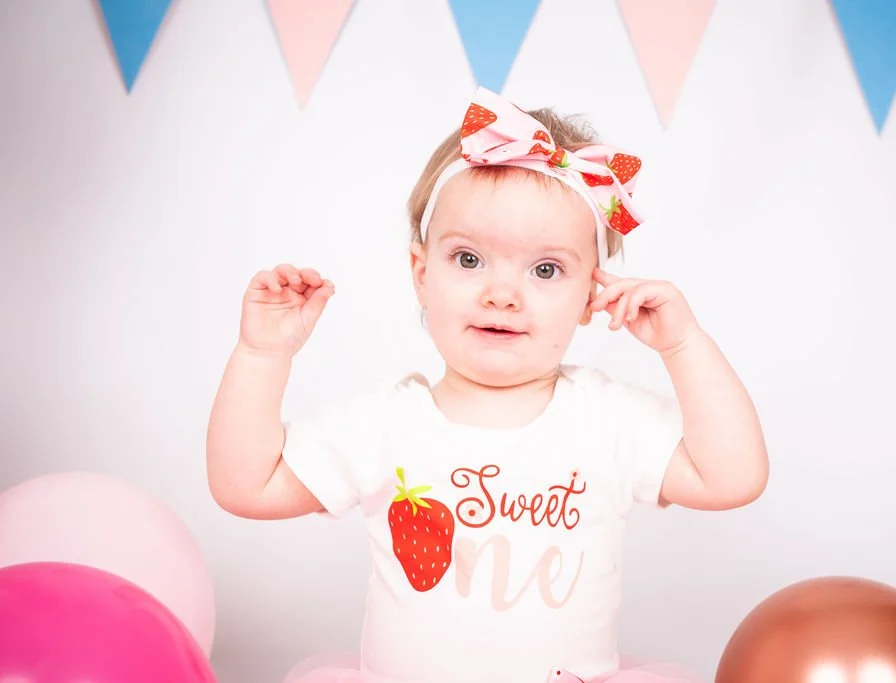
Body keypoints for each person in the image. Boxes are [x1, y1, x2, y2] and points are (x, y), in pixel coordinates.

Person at [206, 87, 769, 683]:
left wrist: (684, 346)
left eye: (546, 269)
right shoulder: (386, 423)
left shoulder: (606, 419)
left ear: (591, 296)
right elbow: (248, 487)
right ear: (422, 275)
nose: (502, 293)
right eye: (469, 259)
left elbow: (733, 478)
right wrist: (263, 354)